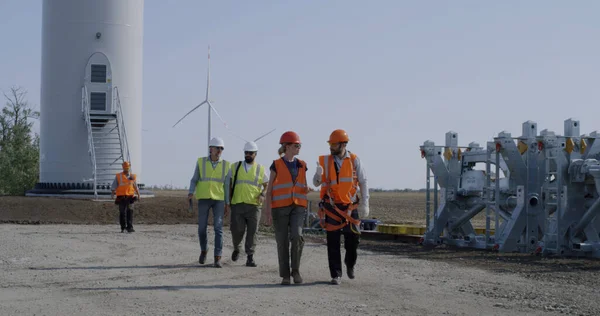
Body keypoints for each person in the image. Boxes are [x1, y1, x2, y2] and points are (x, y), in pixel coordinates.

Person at [313, 129, 369, 285]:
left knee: (353, 239)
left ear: (343, 144)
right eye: (330, 144)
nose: (331, 146)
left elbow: (364, 182)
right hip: (331, 206)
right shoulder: (325, 161)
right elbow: (316, 183)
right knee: (333, 241)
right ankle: (335, 274)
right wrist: (318, 175)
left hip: (350, 206)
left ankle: (350, 264)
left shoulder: (354, 160)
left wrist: (365, 203)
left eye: (333, 144)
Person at [264, 131, 309, 285]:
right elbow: (269, 190)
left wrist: (309, 188)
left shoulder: (302, 164)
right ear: (287, 146)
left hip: (298, 207)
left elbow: (303, 186)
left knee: (297, 236)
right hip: (280, 209)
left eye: (300, 145)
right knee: (282, 241)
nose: (299, 148)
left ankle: (295, 271)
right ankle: (285, 275)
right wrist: (268, 212)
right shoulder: (275, 165)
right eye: (297, 145)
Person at [188, 137, 231, 268]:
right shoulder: (201, 162)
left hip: (219, 199)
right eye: (217, 148)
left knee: (218, 228)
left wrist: (227, 203)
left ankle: (217, 257)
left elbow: (227, 185)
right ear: (210, 149)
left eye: (221, 148)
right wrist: (191, 192)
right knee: (201, 228)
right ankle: (204, 249)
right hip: (204, 199)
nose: (219, 150)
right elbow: (194, 179)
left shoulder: (226, 165)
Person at [228, 141, 269, 267]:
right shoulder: (235, 167)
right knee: (237, 230)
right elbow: (228, 184)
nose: (247, 155)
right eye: (246, 153)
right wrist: (228, 201)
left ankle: (250, 257)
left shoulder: (260, 169)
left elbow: (266, 185)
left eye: (250, 153)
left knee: (252, 232)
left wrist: (263, 194)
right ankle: (237, 248)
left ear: (255, 154)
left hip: (254, 206)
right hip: (237, 204)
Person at [110, 161, 141, 233]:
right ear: (123, 167)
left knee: (130, 211)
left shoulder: (132, 176)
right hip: (121, 197)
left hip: (130, 197)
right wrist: (112, 194)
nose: (126, 170)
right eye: (125, 168)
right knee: (122, 212)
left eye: (127, 168)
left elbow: (135, 186)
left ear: (129, 168)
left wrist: (138, 195)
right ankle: (123, 227)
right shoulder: (118, 176)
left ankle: (130, 227)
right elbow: (114, 186)